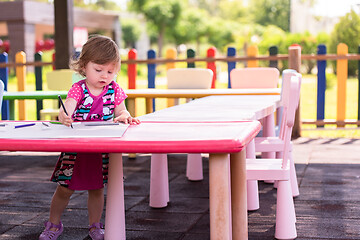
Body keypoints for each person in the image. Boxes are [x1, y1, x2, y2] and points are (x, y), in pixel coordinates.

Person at [39, 35, 140, 240]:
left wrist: (125, 117)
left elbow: (121, 111)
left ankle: (95, 225)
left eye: (110, 71)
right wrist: (64, 114)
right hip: (76, 149)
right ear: (84, 66)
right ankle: (54, 224)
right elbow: (67, 107)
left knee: (96, 189)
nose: (105, 76)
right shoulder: (79, 89)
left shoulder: (114, 90)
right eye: (99, 70)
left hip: (100, 149)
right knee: (65, 189)